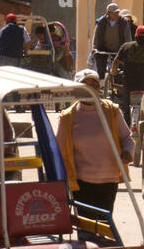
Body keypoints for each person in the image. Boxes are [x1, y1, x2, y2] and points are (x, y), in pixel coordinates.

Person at [56, 69, 134, 217]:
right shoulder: (67, 117)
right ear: (77, 88)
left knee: (104, 224)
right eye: (85, 85)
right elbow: (59, 150)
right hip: (81, 182)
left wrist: (128, 152)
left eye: (94, 84)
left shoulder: (112, 111)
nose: (90, 88)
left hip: (109, 180)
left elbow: (127, 138)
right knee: (86, 229)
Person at [109, 24, 144, 115]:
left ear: (136, 36)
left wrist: (113, 71)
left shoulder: (126, 47)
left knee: (126, 108)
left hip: (129, 83)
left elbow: (116, 62)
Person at [92, 2, 132, 78]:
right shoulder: (101, 22)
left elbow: (128, 38)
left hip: (119, 49)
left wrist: (127, 49)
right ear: (108, 13)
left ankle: (118, 86)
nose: (116, 14)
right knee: (100, 66)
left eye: (117, 12)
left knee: (120, 71)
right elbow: (96, 37)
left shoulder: (124, 22)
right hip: (103, 49)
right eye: (114, 13)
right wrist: (94, 49)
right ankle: (102, 84)